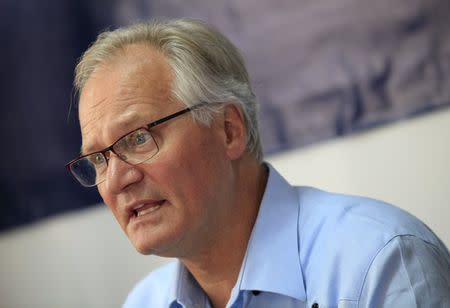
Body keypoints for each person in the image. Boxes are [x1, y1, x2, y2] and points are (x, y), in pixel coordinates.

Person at [66, 18, 450, 308]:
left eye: (137, 138)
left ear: (228, 130)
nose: (116, 179)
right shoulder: (143, 302)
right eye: (98, 158)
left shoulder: (378, 263)